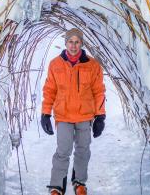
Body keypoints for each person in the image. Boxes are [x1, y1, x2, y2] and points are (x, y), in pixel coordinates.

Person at [41, 28, 106, 195]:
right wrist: (46, 113)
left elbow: (99, 91)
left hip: (85, 115)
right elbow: (49, 90)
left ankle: (79, 183)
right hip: (63, 115)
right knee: (63, 150)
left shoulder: (92, 65)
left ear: (82, 43)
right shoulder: (55, 64)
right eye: (71, 41)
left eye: (77, 42)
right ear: (65, 43)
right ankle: (57, 186)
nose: (74, 45)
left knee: (83, 150)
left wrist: (100, 116)